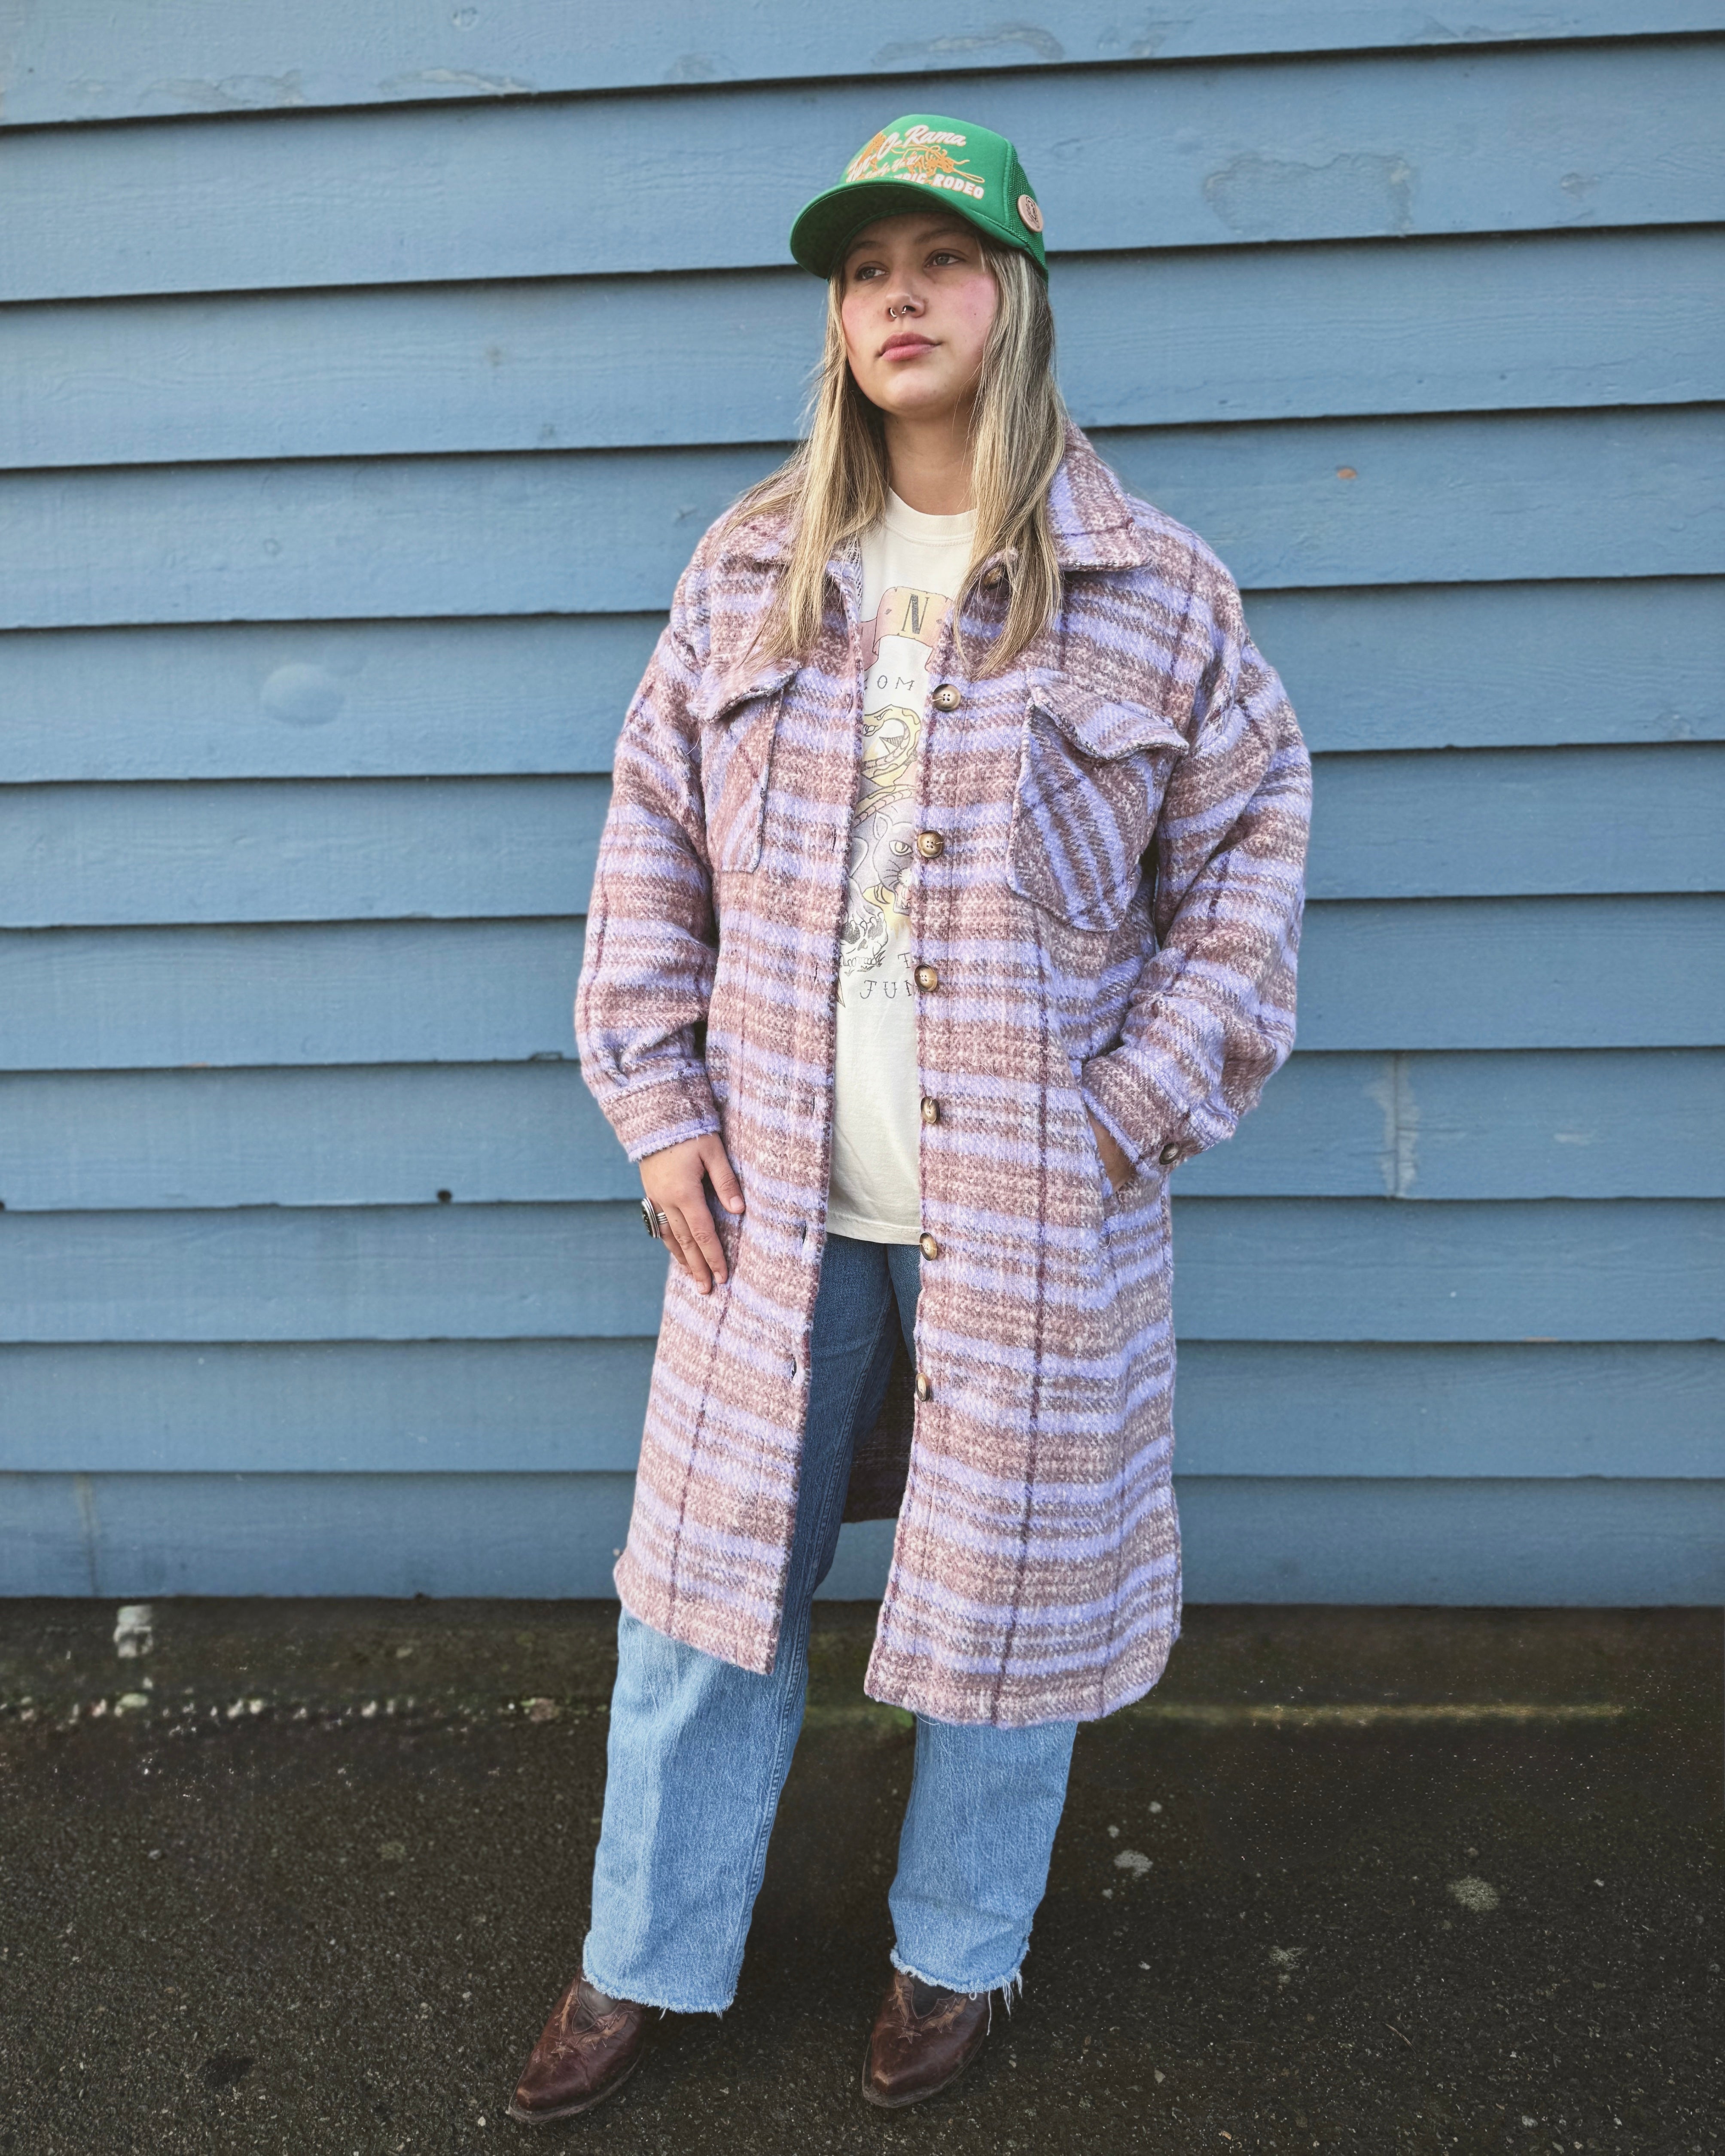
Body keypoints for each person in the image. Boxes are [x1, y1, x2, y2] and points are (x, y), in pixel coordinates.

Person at [509, 113, 1311, 2124]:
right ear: (836, 319)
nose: (898, 299)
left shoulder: (1151, 591)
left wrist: (1125, 1114)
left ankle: (956, 1951)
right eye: (864, 271)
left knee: (1004, 1606)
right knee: (702, 1597)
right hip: (770, 1201)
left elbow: (1245, 870)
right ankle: (640, 1952)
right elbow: (648, 848)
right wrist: (654, 1106)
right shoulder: (750, 569)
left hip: (1030, 1209)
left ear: (1009, 295)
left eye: (939, 261)